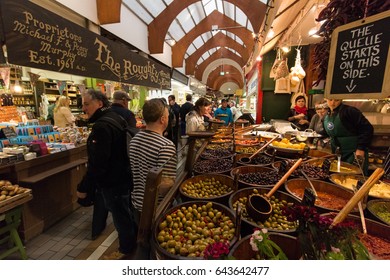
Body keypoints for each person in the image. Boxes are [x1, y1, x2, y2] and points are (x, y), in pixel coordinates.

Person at [77, 89, 137, 257]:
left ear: (100, 103)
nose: (84, 108)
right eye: (83, 105)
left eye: (87, 104)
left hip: (113, 181)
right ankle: (132, 244)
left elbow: (98, 163)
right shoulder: (115, 117)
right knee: (126, 213)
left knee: (121, 217)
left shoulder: (102, 125)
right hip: (124, 177)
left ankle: (126, 251)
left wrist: (83, 186)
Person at [129, 98, 177, 225]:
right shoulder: (165, 146)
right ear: (162, 119)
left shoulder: (135, 139)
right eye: (167, 116)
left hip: (137, 203)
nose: (168, 118)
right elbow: (164, 186)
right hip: (156, 208)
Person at [324, 99, 374, 175]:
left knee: (353, 179)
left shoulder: (350, 111)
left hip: (353, 154)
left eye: (336, 100)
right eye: (330, 100)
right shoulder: (327, 115)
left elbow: (367, 129)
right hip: (338, 154)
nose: (333, 103)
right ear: (325, 99)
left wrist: (361, 148)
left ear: (341, 99)